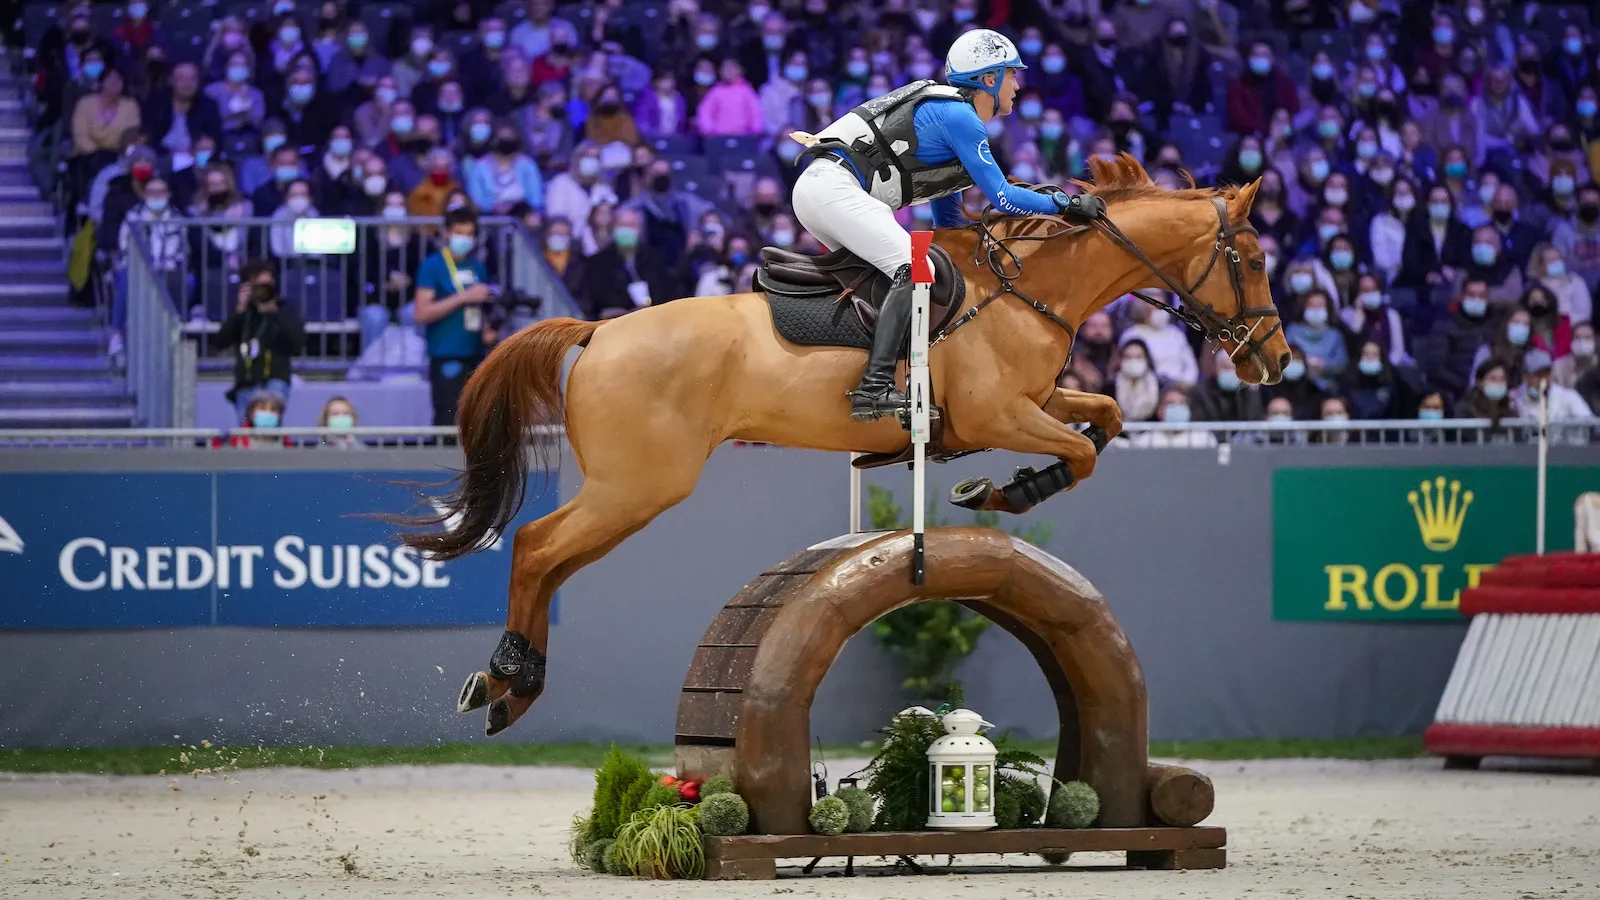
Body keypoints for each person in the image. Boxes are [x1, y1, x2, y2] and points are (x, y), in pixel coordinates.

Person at [788, 29, 1105, 422]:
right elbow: (1003, 198)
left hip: (824, 192)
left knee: (902, 276)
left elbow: (949, 226)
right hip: (833, 189)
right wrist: (1066, 204)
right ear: (988, 80)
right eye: (1012, 75)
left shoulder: (953, 123)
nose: (1017, 85)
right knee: (914, 269)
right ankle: (873, 388)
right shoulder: (961, 117)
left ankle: (870, 371)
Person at [413, 207, 499, 426]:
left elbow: (479, 308)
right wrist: (464, 297)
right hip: (446, 353)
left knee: (477, 421)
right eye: (459, 232)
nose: (465, 238)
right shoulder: (432, 266)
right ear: (447, 233)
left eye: (469, 234)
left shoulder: (477, 267)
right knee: (448, 420)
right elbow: (422, 313)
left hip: (475, 353)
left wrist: (486, 330)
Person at [216, 263, 305, 424]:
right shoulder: (241, 313)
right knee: (246, 432)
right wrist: (239, 310)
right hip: (246, 382)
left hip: (276, 379)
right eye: (258, 286)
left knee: (268, 427)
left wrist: (275, 314)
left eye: (267, 285)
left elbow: (298, 344)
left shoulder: (286, 309)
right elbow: (220, 342)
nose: (263, 291)